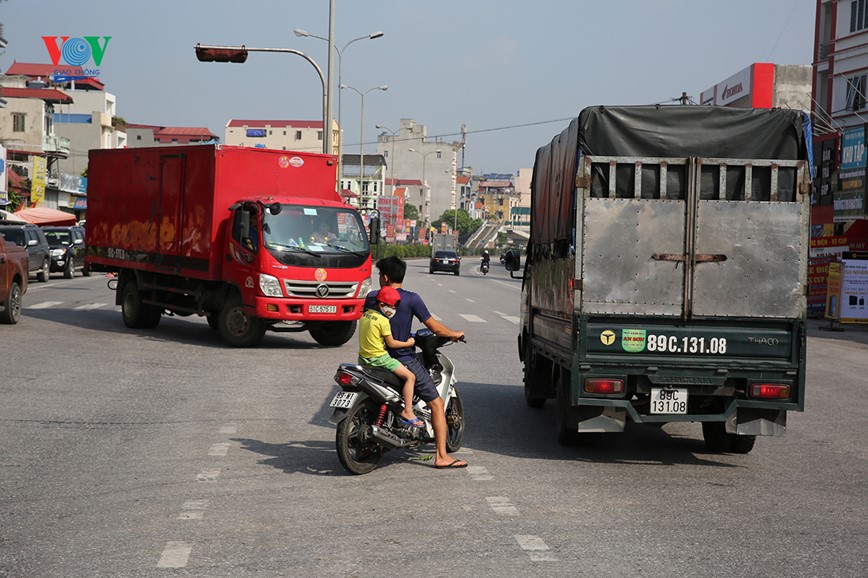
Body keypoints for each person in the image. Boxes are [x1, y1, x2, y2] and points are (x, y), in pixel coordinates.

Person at [365, 256, 468, 469]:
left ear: (384, 277)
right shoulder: (412, 299)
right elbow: (436, 329)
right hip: (403, 359)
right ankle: (441, 456)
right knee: (437, 404)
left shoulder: (372, 298)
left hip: (374, 358)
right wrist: (454, 334)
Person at [358, 286, 421, 427]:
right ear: (381, 305)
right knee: (411, 377)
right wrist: (408, 343)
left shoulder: (365, 315)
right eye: (392, 307)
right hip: (380, 359)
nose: (393, 310)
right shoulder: (383, 321)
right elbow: (391, 343)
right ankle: (408, 411)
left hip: (363, 359)